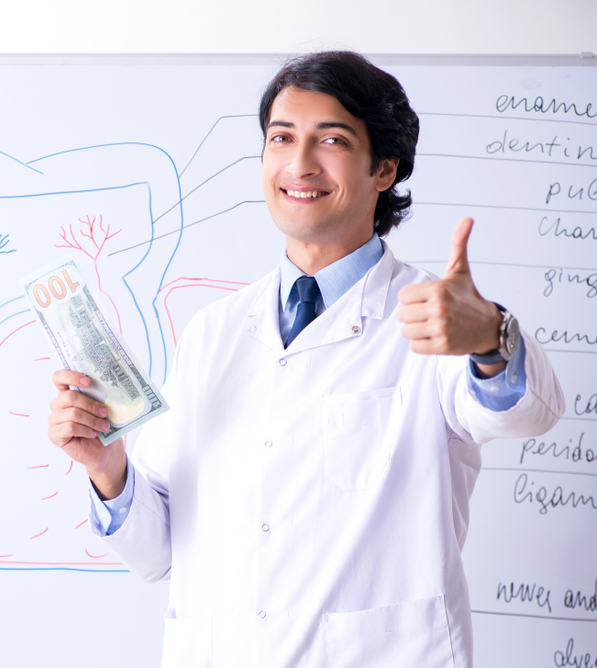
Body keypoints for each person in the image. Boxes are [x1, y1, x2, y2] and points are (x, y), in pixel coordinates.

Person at [46, 51, 563, 668]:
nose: (299, 163)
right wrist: (109, 469)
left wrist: (489, 336)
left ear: (384, 169)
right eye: (281, 137)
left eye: (332, 139)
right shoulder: (213, 333)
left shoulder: (433, 319)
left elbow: (528, 412)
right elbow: (158, 555)